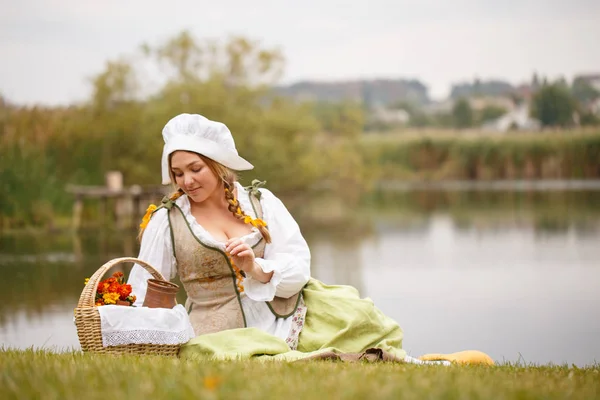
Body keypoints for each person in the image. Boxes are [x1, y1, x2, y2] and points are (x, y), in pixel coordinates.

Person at [128, 113, 493, 365]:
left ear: (218, 165)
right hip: (214, 330)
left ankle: (429, 363)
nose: (187, 182)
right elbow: (144, 288)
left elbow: (298, 263)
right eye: (178, 173)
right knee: (250, 353)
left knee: (357, 319)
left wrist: (256, 268)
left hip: (284, 309)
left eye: (196, 169)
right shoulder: (167, 220)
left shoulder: (260, 201)